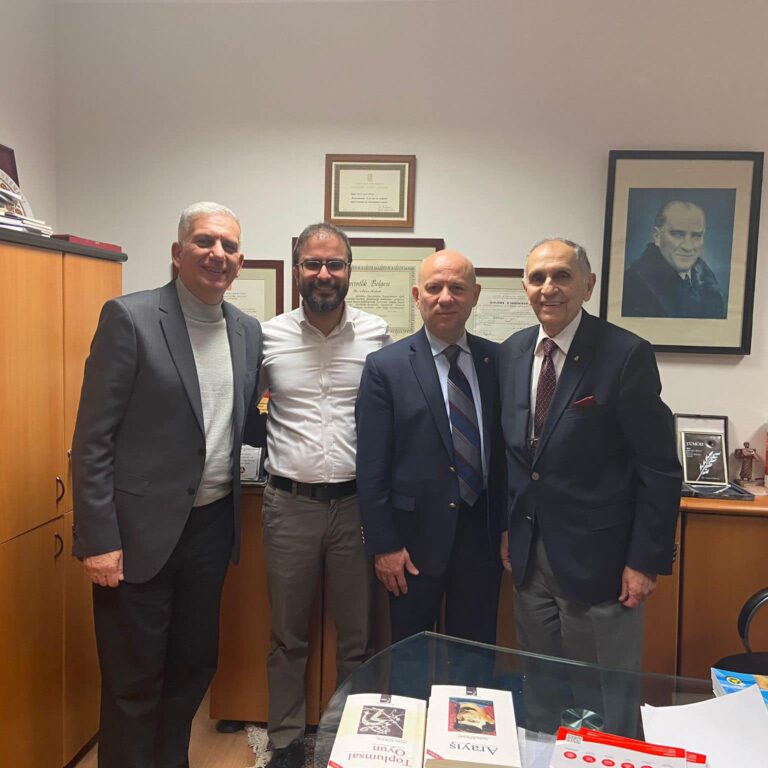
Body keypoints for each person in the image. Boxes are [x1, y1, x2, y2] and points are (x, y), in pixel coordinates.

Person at [71, 202, 263, 768]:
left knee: (190, 669)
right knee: (133, 681)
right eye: (205, 241)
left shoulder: (247, 331)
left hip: (210, 530)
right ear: (178, 253)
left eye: (229, 246)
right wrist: (98, 539)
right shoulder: (130, 319)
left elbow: (239, 422)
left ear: (240, 262)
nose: (218, 254)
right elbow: (92, 440)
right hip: (136, 536)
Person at [499, 238, 681, 676]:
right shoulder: (512, 352)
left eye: (562, 276)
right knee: (541, 686)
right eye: (537, 278)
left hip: (602, 563)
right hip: (529, 559)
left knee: (602, 693)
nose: (548, 288)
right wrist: (508, 526)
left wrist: (644, 561)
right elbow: (516, 457)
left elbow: (658, 468)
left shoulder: (625, 354)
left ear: (588, 284)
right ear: (525, 288)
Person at [260, 222, 391, 768]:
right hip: (288, 505)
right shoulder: (266, 337)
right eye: (312, 263)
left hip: (356, 505)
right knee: (287, 636)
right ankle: (286, 741)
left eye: (334, 264)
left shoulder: (377, 334)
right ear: (297, 269)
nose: (323, 274)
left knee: (357, 637)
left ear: (348, 271)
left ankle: (346, 739)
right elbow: (248, 409)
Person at [356, 250, 503, 646]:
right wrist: (384, 545)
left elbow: (507, 456)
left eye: (457, 288)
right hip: (411, 544)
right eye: (434, 288)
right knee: (410, 655)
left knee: (474, 656)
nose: (445, 298)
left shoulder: (498, 360)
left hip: (483, 540)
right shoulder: (385, 367)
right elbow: (371, 467)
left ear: (475, 295)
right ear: (416, 295)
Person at [622, 200, 726, 318]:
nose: (688, 246)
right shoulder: (631, 286)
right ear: (657, 236)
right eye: (678, 234)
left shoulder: (707, 281)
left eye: (696, 235)